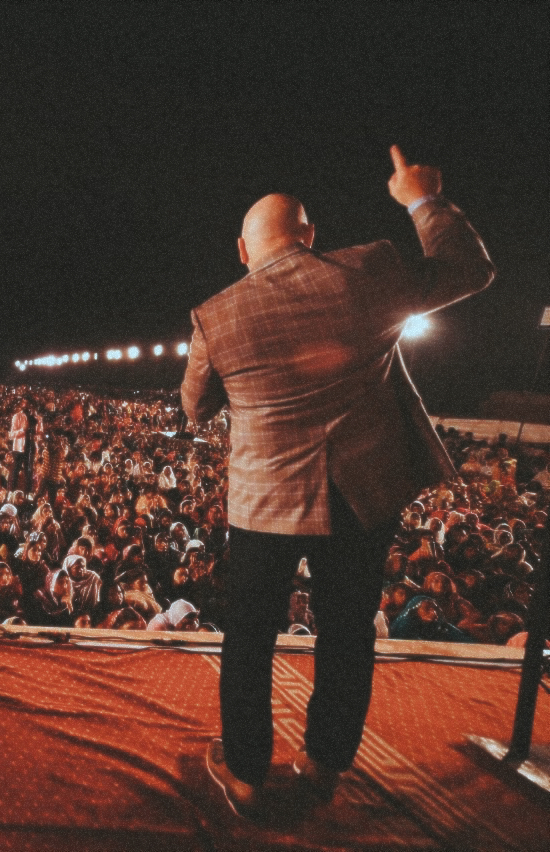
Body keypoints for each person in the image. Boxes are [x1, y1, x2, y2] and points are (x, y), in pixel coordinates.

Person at [182, 145, 494, 816]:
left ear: (243, 249)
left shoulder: (216, 315)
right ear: (310, 235)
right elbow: (470, 267)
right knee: (347, 631)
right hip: (363, 494)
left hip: (264, 502)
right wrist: (421, 199)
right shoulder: (370, 271)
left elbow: (195, 405)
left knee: (251, 637)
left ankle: (243, 775)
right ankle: (323, 768)